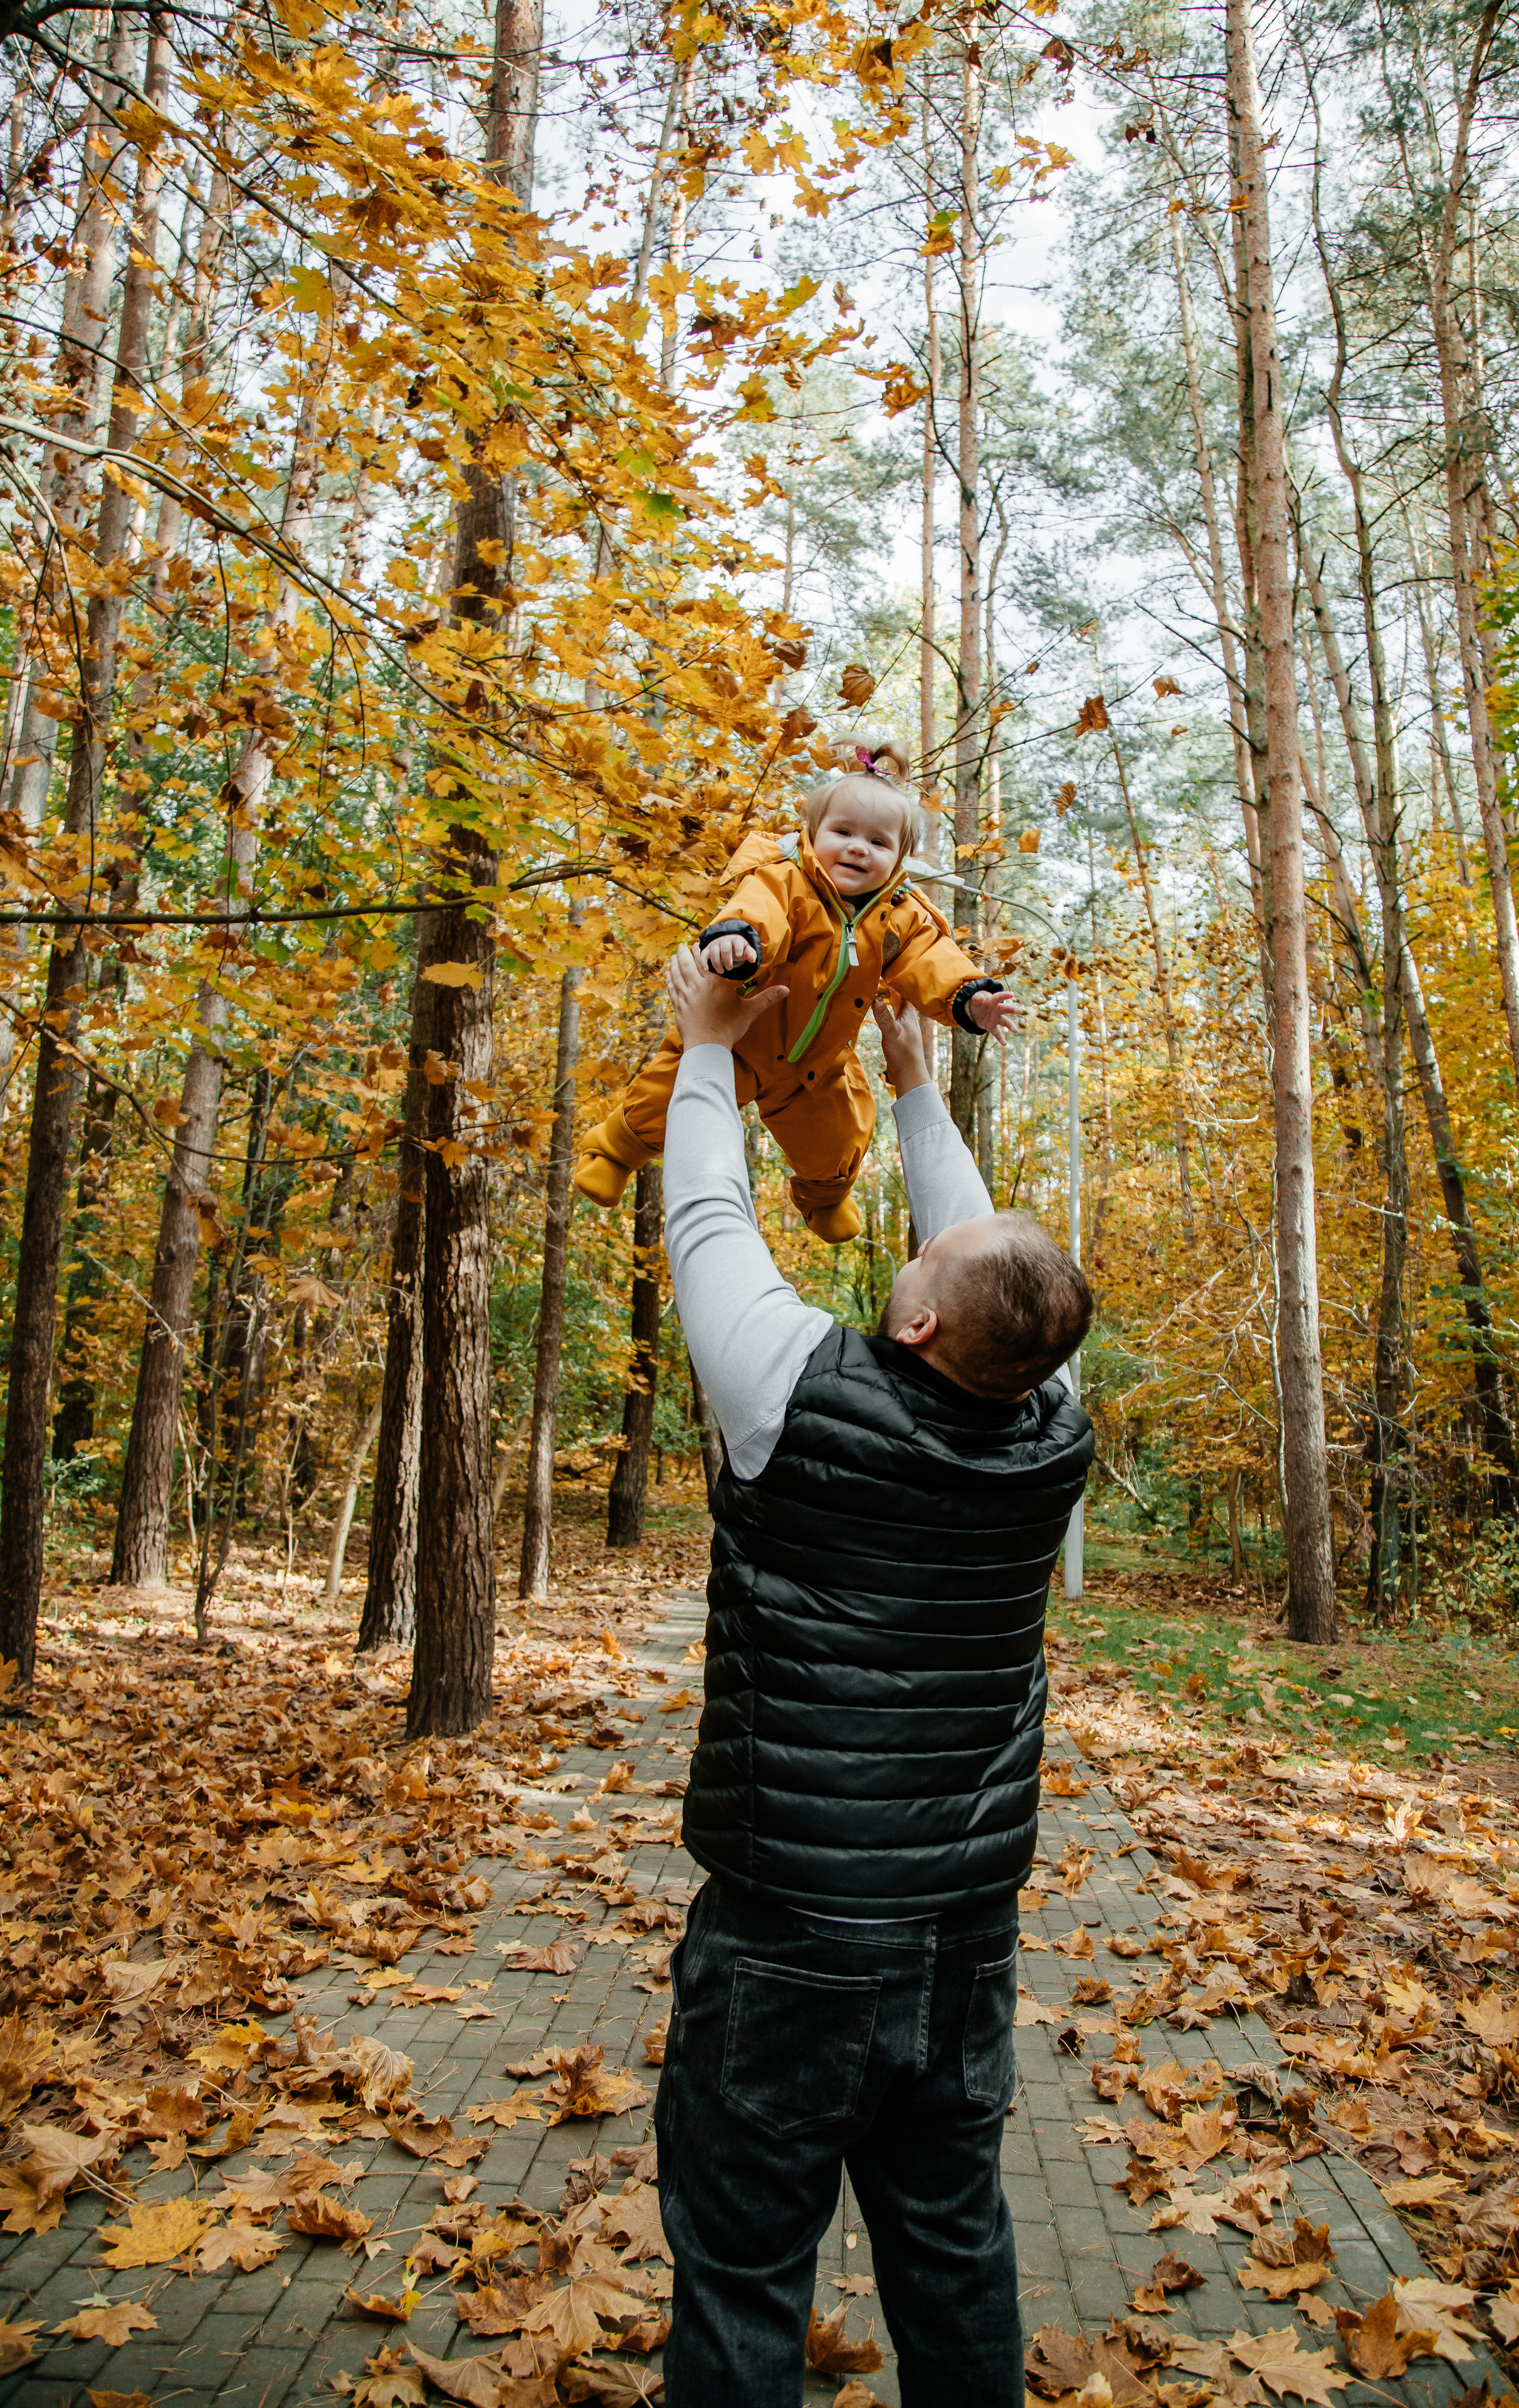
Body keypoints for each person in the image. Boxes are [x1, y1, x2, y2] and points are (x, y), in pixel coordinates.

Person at [653, 939, 1095, 2408]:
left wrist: (705, 1044)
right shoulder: (1049, 1423)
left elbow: (707, 1214)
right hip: (960, 1934)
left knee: (741, 2270)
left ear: (913, 1322)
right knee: (951, 2245)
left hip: (789, 1931)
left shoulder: (789, 1393)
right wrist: (916, 1094)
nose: (925, 1247)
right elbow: (996, 1275)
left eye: (923, 1264)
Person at [572, 728, 1019, 1243]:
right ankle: (616, 1151)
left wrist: (971, 997)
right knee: (668, 1097)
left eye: (878, 842)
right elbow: (760, 910)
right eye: (843, 832)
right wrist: (738, 939)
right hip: (739, 1039)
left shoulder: (901, 915)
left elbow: (931, 959)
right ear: (812, 832)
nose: (858, 849)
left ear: (899, 859)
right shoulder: (786, 880)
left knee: (837, 1135)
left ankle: (825, 1197)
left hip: (817, 1063)